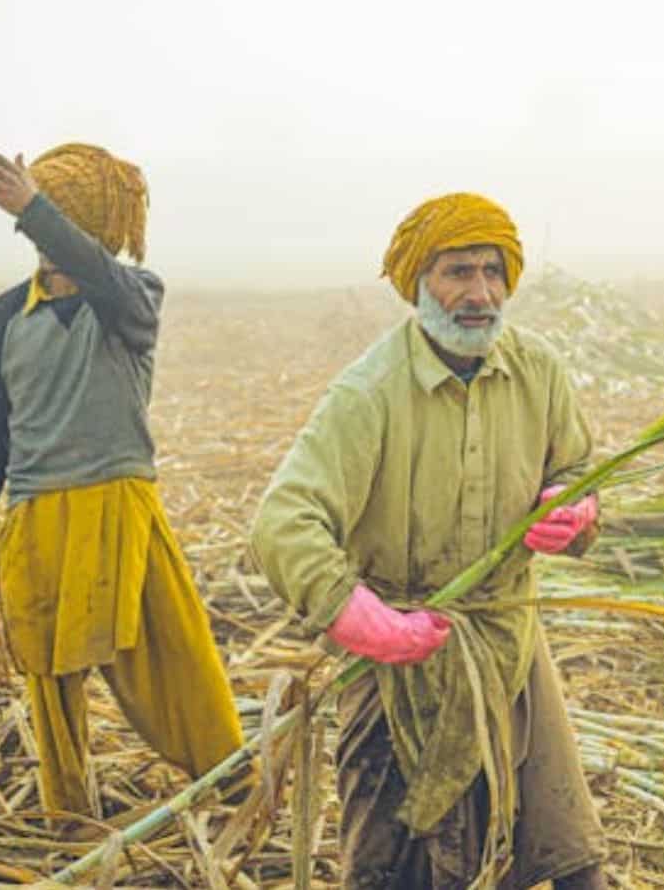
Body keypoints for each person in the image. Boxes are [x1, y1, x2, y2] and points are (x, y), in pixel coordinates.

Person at [250, 192, 607, 889]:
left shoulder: (538, 372)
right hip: (398, 669)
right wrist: (356, 614)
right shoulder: (370, 393)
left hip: (509, 645)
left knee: (566, 853)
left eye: (492, 272)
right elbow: (282, 519)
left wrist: (577, 511)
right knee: (396, 864)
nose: (479, 294)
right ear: (419, 283)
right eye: (457, 273)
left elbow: (577, 467)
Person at [0, 143, 244, 820]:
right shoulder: (5, 316)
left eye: (55, 217)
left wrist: (33, 210)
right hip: (35, 514)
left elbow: (97, 275)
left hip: (120, 507)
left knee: (176, 657)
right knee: (50, 679)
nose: (45, 235)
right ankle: (71, 818)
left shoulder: (131, 300)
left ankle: (232, 786)